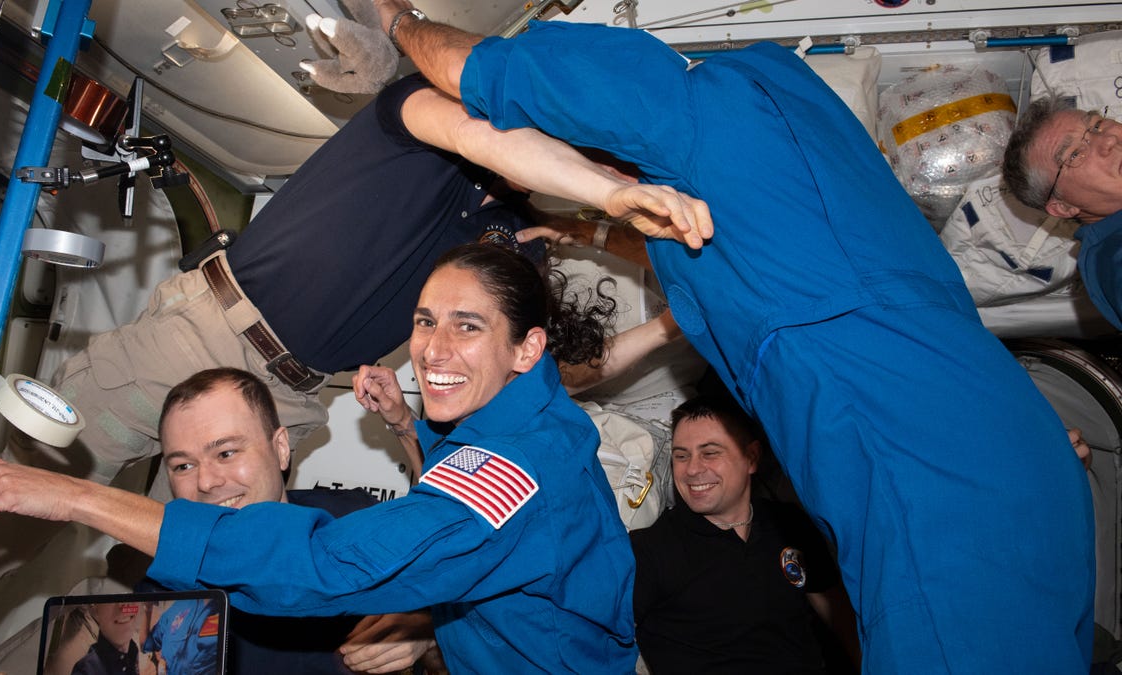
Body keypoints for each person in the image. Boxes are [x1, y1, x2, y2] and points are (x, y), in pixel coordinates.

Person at [378, 6, 1096, 672]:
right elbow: (707, 250)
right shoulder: (806, 134)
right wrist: (591, 227)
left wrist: (395, 20)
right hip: (1014, 463)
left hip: (935, 498)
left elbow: (473, 69)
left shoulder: (684, 113)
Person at [0, 243, 637, 673]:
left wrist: (70, 495)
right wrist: (410, 430)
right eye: (424, 321)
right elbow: (466, 533)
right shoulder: (519, 426)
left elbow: (335, 565)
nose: (433, 348)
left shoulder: (518, 463)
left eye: (467, 326)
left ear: (529, 348)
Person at [18, 68, 711, 486]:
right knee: (20, 493)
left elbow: (555, 368)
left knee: (197, 593)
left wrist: (661, 326)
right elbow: (484, 139)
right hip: (202, 341)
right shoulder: (430, 121)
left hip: (289, 405)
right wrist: (600, 193)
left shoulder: (514, 246)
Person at [0, 367, 437, 675]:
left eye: (226, 452)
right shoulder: (160, 588)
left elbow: (476, 588)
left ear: (280, 448)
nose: (209, 482)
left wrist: (429, 631)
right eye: (183, 465)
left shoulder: (352, 519)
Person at [630, 395, 858, 674]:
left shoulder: (789, 524)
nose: (692, 469)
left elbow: (840, 618)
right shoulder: (649, 551)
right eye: (681, 456)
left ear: (751, 458)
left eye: (710, 453)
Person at [1002, 98, 1122, 329]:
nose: (1109, 140)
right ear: (1064, 207)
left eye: (1096, 125)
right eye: (1075, 154)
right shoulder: (1114, 258)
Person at [69, 601, 142, 675]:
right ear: (94, 609)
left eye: (130, 595)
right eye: (113, 597)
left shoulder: (138, 658)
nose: (125, 607)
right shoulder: (86, 671)